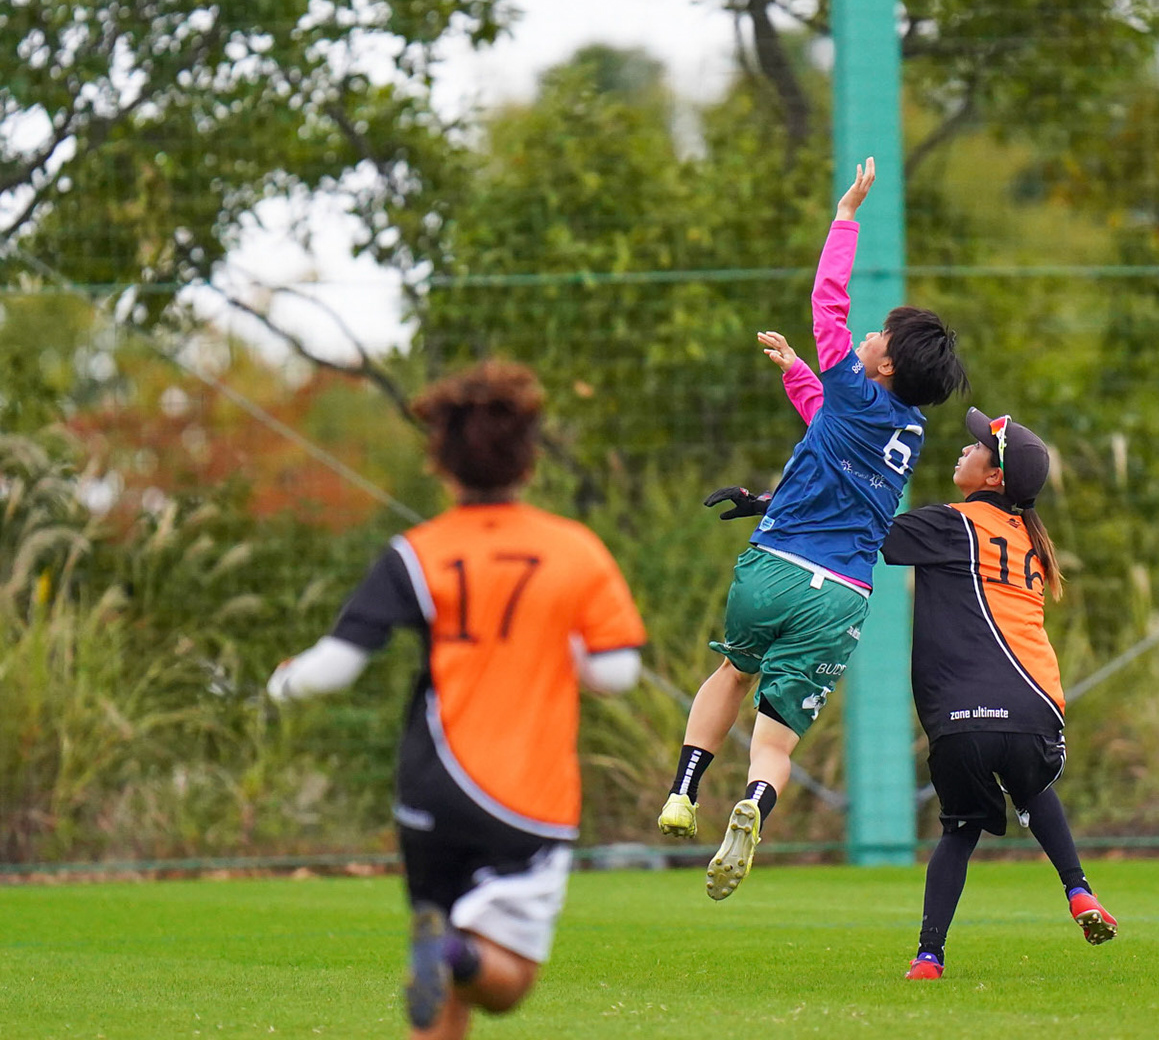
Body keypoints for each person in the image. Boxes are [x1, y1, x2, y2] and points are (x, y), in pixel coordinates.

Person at [268, 360, 646, 1039]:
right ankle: (451, 953)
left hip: (430, 789)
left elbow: (333, 668)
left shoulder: (416, 552)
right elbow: (618, 672)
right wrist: (562, 650)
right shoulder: (574, 550)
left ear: (442, 466)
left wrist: (283, 681)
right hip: (526, 798)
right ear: (529, 461)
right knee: (503, 984)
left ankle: (441, 948)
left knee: (444, 993)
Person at [709, 404, 1115, 978]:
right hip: (1035, 702)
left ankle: (929, 955)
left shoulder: (954, 523)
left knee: (960, 831)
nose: (965, 449)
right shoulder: (1030, 539)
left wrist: (764, 503)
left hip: (960, 714)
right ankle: (1077, 889)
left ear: (994, 477)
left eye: (977, 447)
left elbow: (854, 521)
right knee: (1033, 787)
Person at [657, 159, 968, 900]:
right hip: (843, 597)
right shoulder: (908, 430)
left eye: (878, 336)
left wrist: (846, 215)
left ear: (885, 366)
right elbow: (828, 424)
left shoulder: (856, 387)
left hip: (775, 568)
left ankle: (684, 792)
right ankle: (754, 803)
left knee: (733, 673)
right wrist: (799, 370)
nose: (865, 334)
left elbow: (827, 301)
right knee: (776, 741)